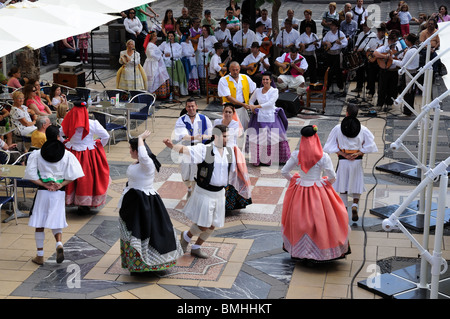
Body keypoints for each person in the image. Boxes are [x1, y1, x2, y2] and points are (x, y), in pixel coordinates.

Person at [281, 125, 350, 263]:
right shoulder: (323, 157)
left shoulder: (296, 155)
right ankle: (321, 251)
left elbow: (284, 172)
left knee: (299, 220)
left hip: (300, 190)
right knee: (322, 220)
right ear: (316, 138)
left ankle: (301, 250)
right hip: (319, 190)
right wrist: (325, 183)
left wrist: (296, 180)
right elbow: (332, 176)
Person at [164, 125, 235, 259]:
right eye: (225, 136)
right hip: (205, 192)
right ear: (216, 136)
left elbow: (232, 171)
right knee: (203, 225)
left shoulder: (229, 152)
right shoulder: (204, 149)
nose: (227, 139)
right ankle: (186, 237)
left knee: (213, 224)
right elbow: (186, 150)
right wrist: (171, 146)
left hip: (220, 193)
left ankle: (196, 247)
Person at [119, 130, 183, 272]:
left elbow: (143, 154)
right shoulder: (139, 163)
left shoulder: (147, 163)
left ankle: (148, 264)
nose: (129, 151)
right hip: (134, 201)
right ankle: (136, 264)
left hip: (145, 202)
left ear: (137, 150)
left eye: (131, 149)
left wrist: (141, 138)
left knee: (145, 230)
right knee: (135, 231)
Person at [25, 125, 84, 265]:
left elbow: (30, 175)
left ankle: (40, 255)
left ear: (46, 136)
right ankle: (59, 244)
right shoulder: (68, 155)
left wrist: (45, 184)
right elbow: (76, 174)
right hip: (58, 193)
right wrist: (61, 184)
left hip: (43, 192)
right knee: (56, 221)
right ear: (58, 136)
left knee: (39, 223)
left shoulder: (37, 154)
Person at [323, 104, 378, 222]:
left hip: (343, 161)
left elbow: (328, 146)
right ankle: (355, 206)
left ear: (346, 113)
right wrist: (358, 153)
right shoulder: (363, 129)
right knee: (356, 184)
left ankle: (343, 211)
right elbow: (371, 145)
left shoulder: (338, 128)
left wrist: (344, 154)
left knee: (343, 186)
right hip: (356, 161)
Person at [60, 100, 110, 213]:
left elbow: (60, 134)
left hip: (72, 152)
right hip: (88, 153)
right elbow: (106, 136)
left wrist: (67, 143)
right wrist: (98, 145)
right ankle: (86, 203)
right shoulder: (93, 123)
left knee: (71, 175)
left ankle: (73, 200)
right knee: (88, 177)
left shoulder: (68, 122)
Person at [247, 72, 291, 166]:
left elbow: (270, 103)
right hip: (259, 116)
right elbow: (251, 100)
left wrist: (256, 106)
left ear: (271, 80)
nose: (265, 81)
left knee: (274, 137)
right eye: (263, 79)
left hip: (272, 116)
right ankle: (260, 160)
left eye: (267, 79)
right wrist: (252, 108)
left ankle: (277, 159)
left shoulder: (274, 91)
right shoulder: (258, 90)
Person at [214, 104, 252, 210]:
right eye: (226, 111)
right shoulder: (216, 122)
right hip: (217, 150)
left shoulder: (235, 124)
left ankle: (228, 204)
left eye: (230, 112)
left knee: (230, 176)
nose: (227, 114)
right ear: (223, 112)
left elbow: (229, 139)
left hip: (229, 152)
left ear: (233, 113)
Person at [173, 98, 213, 199]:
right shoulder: (181, 120)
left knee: (197, 171)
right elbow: (182, 136)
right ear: (186, 107)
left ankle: (195, 193)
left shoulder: (204, 119)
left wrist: (204, 138)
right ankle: (189, 187)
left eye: (193, 106)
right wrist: (195, 137)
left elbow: (210, 135)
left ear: (196, 107)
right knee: (185, 172)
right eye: (189, 106)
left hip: (199, 148)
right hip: (186, 148)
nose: (191, 108)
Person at [218, 61, 257, 130]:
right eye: (233, 70)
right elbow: (228, 97)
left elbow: (253, 90)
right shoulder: (223, 80)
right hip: (229, 109)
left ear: (239, 69)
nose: (235, 72)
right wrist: (243, 104)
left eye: (237, 70)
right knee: (230, 129)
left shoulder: (245, 78)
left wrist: (250, 102)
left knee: (244, 128)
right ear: (229, 69)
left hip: (243, 109)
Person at [373, 31, 402, 110]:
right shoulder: (384, 47)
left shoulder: (398, 48)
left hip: (393, 70)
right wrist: (385, 56)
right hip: (384, 70)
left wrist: (394, 58)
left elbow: (400, 58)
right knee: (382, 87)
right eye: (391, 40)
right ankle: (380, 104)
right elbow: (375, 53)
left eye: (393, 40)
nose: (392, 42)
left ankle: (389, 103)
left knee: (392, 88)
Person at [392, 33, 419, 115]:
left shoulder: (410, 51)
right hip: (413, 72)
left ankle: (407, 110)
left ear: (409, 41)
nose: (405, 41)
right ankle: (409, 108)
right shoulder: (414, 49)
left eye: (406, 40)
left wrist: (392, 61)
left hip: (409, 73)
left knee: (407, 92)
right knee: (410, 92)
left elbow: (403, 64)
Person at [322, 19, 348, 96]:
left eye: (332, 25)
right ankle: (328, 86)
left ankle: (340, 87)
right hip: (329, 54)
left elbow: (345, 43)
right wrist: (326, 43)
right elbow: (323, 42)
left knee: (338, 71)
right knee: (328, 70)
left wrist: (340, 43)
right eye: (330, 25)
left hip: (337, 54)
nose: (331, 26)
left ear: (336, 27)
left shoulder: (341, 34)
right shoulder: (328, 33)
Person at [142, 31, 171, 100]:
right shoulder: (150, 45)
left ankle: (160, 93)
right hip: (153, 63)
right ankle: (154, 93)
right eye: (155, 36)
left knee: (159, 76)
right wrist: (159, 56)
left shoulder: (152, 45)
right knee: (154, 77)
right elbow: (151, 54)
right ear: (152, 38)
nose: (156, 37)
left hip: (155, 62)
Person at [160, 31, 188, 97]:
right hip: (166, 63)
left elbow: (179, 54)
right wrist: (162, 54)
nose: (170, 37)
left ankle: (176, 92)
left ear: (174, 37)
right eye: (169, 36)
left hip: (175, 63)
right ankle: (168, 93)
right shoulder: (165, 44)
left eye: (171, 36)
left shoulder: (178, 45)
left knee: (175, 78)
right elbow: (158, 49)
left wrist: (170, 54)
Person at [352, 22, 377, 93]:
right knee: (359, 71)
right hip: (360, 55)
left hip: (368, 55)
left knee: (369, 73)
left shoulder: (373, 35)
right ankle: (359, 87)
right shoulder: (360, 34)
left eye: (366, 26)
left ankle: (369, 88)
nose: (364, 27)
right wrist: (355, 48)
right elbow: (357, 44)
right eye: (363, 26)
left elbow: (372, 47)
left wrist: (362, 49)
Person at [196, 25, 218, 95]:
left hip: (209, 56)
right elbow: (198, 48)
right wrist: (202, 49)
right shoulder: (200, 38)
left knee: (208, 72)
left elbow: (217, 46)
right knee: (202, 72)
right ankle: (203, 90)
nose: (204, 31)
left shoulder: (212, 38)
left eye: (205, 30)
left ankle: (210, 90)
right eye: (202, 30)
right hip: (202, 56)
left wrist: (212, 51)